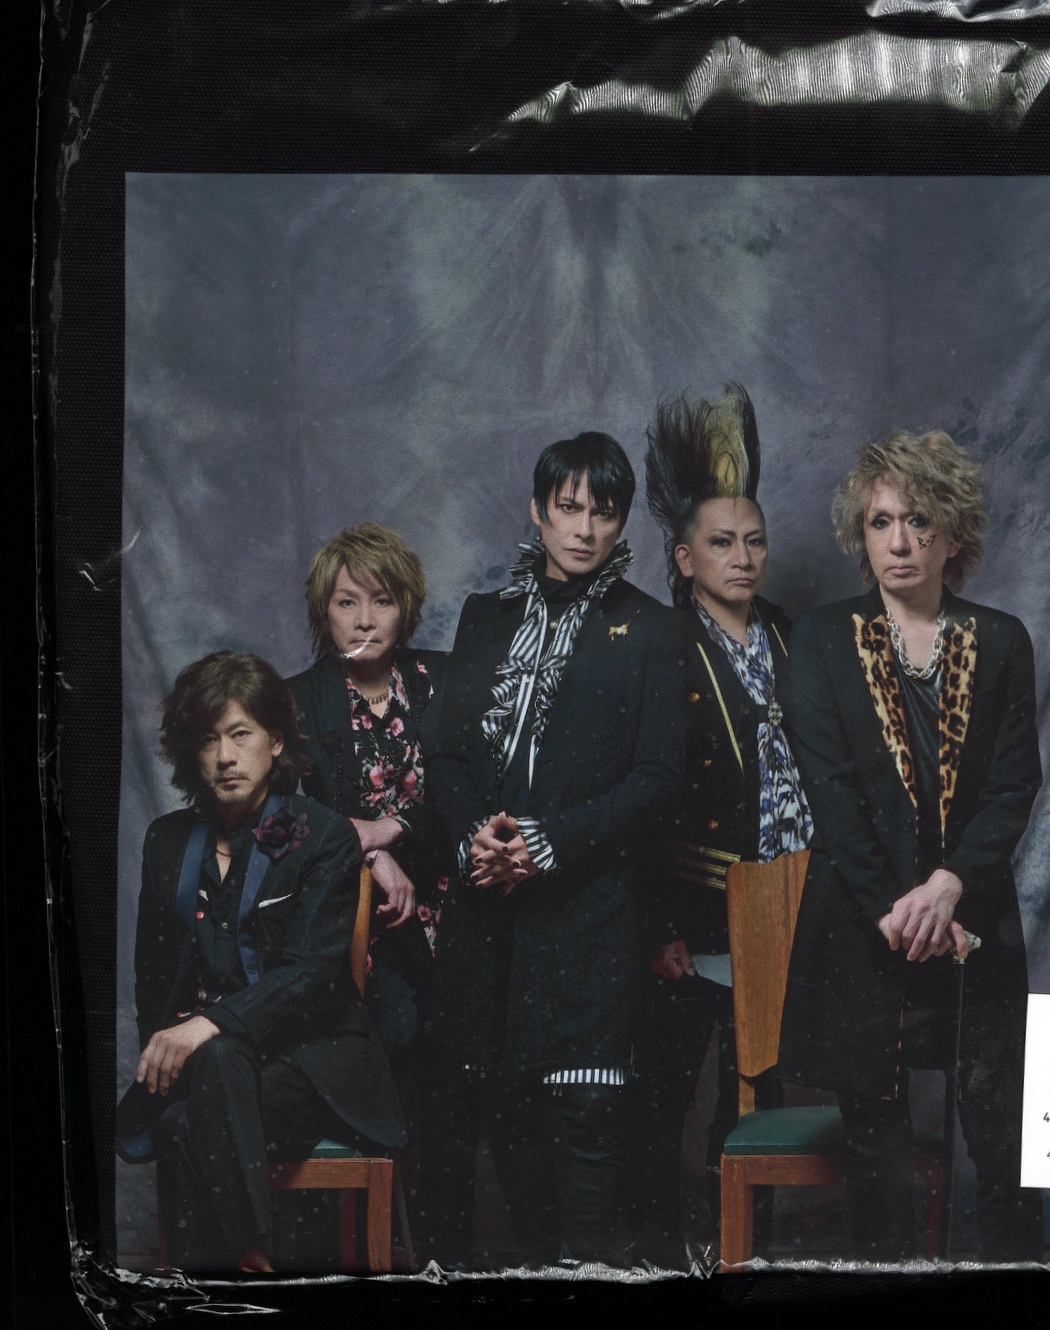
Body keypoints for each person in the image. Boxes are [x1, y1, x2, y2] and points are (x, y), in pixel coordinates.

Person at [777, 431, 1043, 1263]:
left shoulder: (1002, 639)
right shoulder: (822, 639)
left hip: (972, 925)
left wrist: (948, 887)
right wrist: (900, 908)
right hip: (866, 930)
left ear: (953, 533)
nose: (898, 541)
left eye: (919, 520)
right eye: (880, 521)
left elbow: (1014, 787)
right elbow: (831, 795)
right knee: (878, 1164)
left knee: (1005, 1152)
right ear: (861, 534)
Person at [426, 431, 684, 1266]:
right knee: (506, 1110)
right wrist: (477, 836)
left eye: (602, 513)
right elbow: (448, 757)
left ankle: (583, 1279)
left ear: (622, 523)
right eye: (567, 508)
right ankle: (542, 1279)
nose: (583, 529)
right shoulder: (484, 616)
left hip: (589, 905)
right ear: (536, 511)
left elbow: (659, 777)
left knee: (586, 1113)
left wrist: (549, 841)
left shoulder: (651, 629)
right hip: (487, 905)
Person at [130, 651, 404, 1274]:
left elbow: (311, 974)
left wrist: (206, 1027)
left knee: (201, 1089)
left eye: (240, 734)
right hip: (216, 1076)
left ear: (275, 741)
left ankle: (234, 1269)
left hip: (310, 1069)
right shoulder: (169, 840)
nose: (225, 756)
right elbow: (153, 975)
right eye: (208, 740)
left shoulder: (316, 833)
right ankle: (250, 1265)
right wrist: (166, 1050)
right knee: (182, 1113)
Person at [636, 383, 812, 1259]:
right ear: (683, 557)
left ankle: (746, 1254)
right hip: (697, 905)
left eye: (754, 541)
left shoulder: (787, 634)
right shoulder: (662, 648)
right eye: (720, 543)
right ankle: (661, 1259)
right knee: (670, 1089)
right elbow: (638, 801)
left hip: (786, 897)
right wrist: (659, 926)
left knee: (763, 1086)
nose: (742, 558)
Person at [285, 522, 450, 1259]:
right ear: (324, 611)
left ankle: (444, 1261)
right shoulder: (296, 702)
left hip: (455, 912)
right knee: (382, 1051)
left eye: (381, 601)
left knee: (454, 1083)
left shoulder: (443, 683)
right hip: (354, 932)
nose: (363, 619)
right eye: (346, 602)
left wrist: (391, 831)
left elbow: (470, 797)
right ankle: (354, 1259)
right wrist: (366, 851)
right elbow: (273, 823)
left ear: (405, 607)